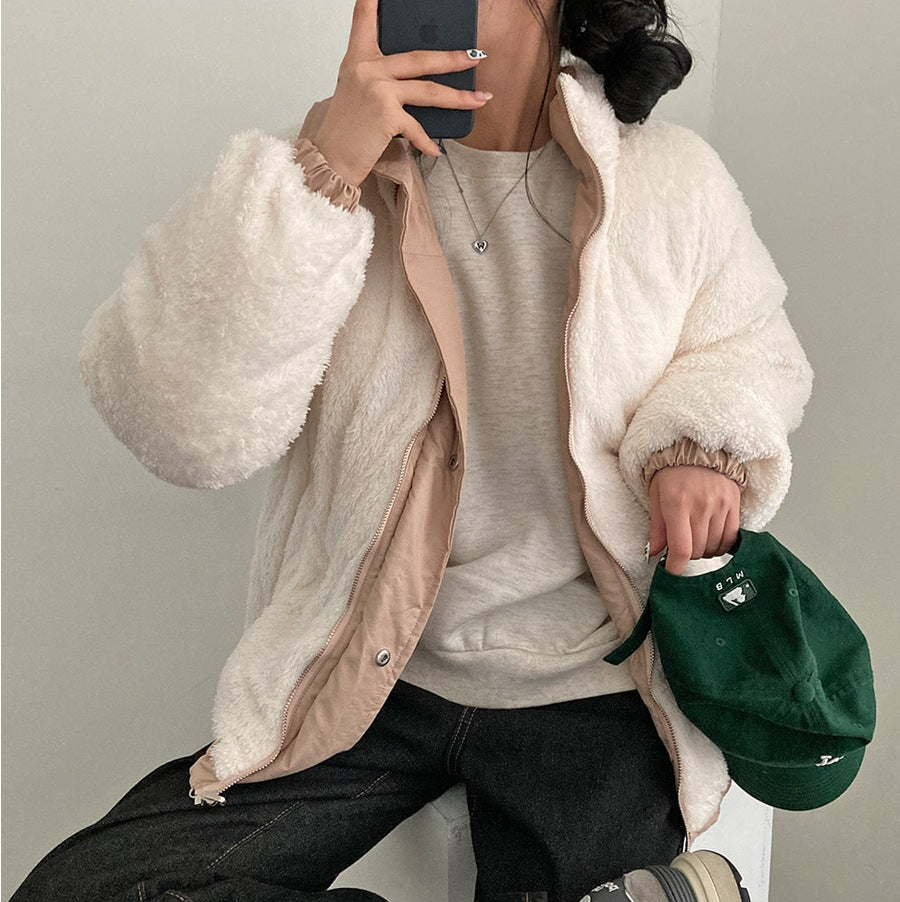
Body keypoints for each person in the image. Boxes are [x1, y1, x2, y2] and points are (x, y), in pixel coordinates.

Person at [12, 0, 812, 900]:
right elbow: (181, 428)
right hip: (370, 670)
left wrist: (700, 443)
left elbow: (749, 345)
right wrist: (321, 173)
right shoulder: (329, 174)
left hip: (594, 685)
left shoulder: (670, 179)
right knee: (82, 890)